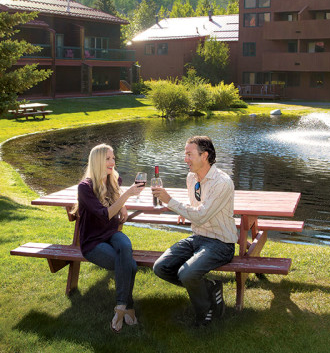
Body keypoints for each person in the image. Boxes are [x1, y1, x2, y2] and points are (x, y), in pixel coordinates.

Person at [151, 135, 238, 326]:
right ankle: (210, 287)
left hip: (221, 243)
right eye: (185, 154)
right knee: (160, 267)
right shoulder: (191, 178)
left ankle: (204, 310)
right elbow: (197, 208)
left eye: (189, 154)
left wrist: (170, 201)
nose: (185, 159)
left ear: (204, 155)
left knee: (187, 274)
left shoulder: (222, 182)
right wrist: (187, 212)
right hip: (197, 237)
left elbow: (201, 215)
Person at [75, 143, 145, 332]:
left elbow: (115, 200)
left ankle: (120, 307)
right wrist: (127, 196)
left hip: (112, 234)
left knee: (125, 243)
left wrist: (122, 203)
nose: (112, 162)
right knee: (129, 265)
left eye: (113, 158)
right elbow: (105, 214)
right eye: (108, 159)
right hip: (93, 241)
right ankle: (127, 307)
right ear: (97, 161)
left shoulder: (114, 180)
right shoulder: (85, 188)